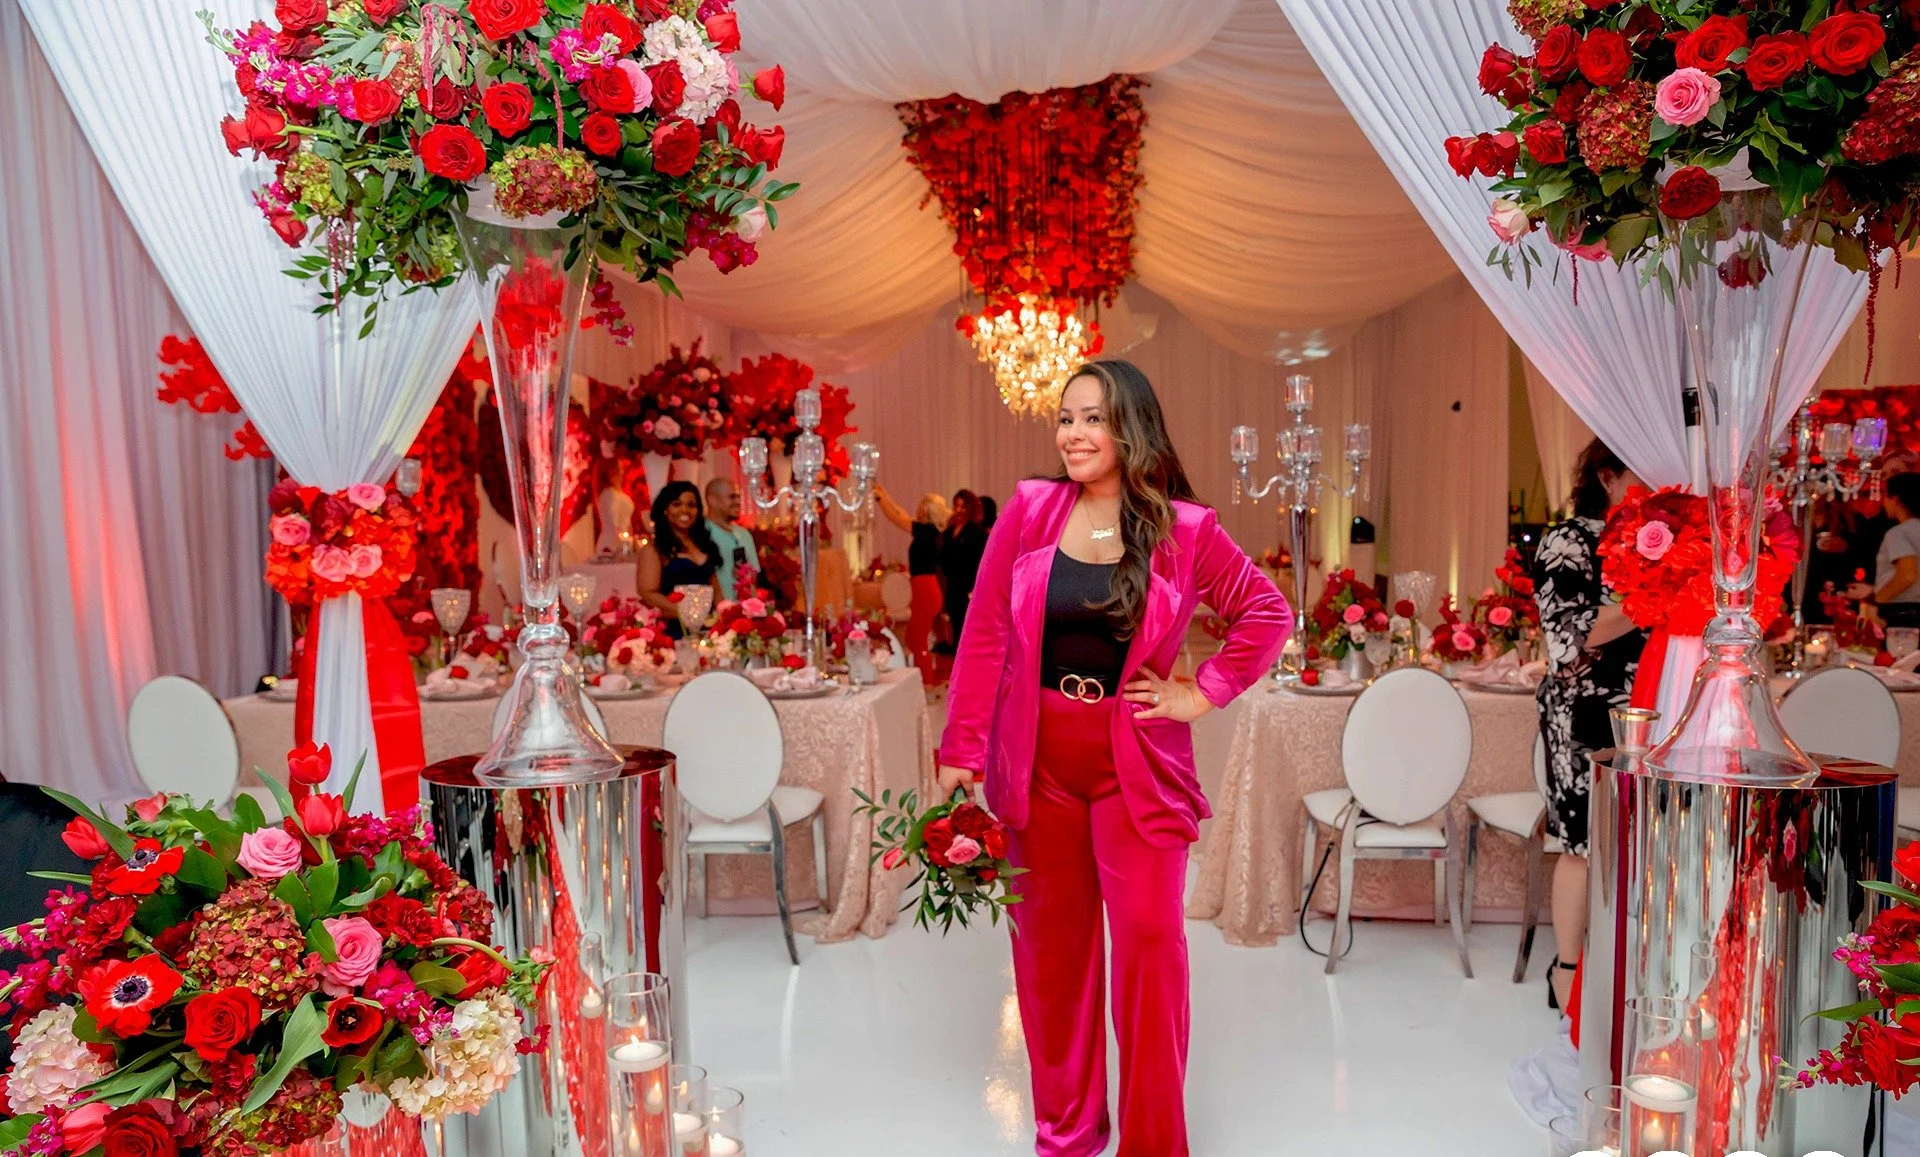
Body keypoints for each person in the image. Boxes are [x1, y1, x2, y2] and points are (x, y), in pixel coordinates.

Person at [937, 360, 1291, 1156]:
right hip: (1038, 763)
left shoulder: (1185, 528)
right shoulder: (1031, 509)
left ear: (1131, 427)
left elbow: (1267, 612)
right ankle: (1067, 1133)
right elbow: (987, 629)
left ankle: (1155, 1142)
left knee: (1149, 951)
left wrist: (1199, 691)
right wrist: (961, 748)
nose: (1072, 433)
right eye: (1065, 418)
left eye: (1092, 418)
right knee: (1052, 959)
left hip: (1137, 766)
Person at [1532, 438, 1647, 1013]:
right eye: (1641, 471)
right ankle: (1568, 972)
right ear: (1607, 476)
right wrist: (1653, 590)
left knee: (1646, 845)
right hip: (1586, 714)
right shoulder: (1570, 541)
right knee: (1581, 842)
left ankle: (1634, 968)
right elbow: (1567, 640)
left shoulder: (1668, 540)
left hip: (1658, 711)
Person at [874, 485, 948, 672]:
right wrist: (886, 496)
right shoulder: (930, 531)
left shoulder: (925, 531)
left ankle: (927, 682)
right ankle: (926, 680)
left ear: (925, 510)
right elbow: (901, 513)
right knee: (916, 638)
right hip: (926, 588)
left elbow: (895, 517)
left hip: (925, 588)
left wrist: (880, 499)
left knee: (917, 639)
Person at [637, 481, 721, 637]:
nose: (685, 510)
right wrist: (688, 613)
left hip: (708, 627)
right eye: (676, 504)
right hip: (674, 628)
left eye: (691, 505)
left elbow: (715, 590)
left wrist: (724, 617)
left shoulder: (704, 545)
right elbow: (647, 593)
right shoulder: (654, 550)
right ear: (665, 510)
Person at [1849, 471, 1920, 628]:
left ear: (1896, 500)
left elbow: (1908, 575)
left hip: (1903, 616)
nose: (1883, 502)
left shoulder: (1898, 533)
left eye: (1886, 496)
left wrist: (1876, 600)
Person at [939, 489, 988, 648]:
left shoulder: (976, 532)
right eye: (956, 506)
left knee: (967, 627)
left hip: (968, 586)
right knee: (955, 624)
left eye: (963, 507)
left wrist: (974, 588)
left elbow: (980, 562)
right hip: (952, 584)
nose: (959, 511)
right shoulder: (950, 531)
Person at [704, 477, 760, 601]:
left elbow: (754, 576)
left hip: (744, 613)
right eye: (732, 497)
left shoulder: (744, 534)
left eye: (738, 497)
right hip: (713, 615)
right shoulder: (701, 532)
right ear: (712, 500)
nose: (737, 502)